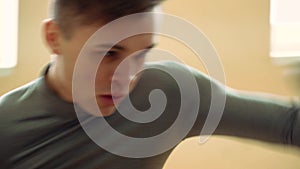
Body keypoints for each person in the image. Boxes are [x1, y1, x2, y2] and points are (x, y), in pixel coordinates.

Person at [0, 0, 299, 168]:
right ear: (54, 38)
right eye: (108, 54)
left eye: (141, 54)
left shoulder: (170, 93)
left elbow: (289, 124)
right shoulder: (6, 126)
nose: (127, 78)